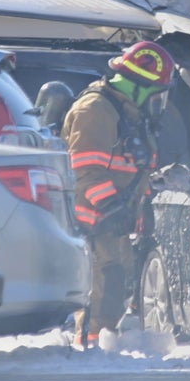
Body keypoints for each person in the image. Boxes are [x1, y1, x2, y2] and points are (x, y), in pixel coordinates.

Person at [61, 40, 176, 348]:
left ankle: (100, 347)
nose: (158, 102)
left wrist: (142, 201)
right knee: (100, 293)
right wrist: (111, 206)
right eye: (155, 93)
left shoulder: (127, 113)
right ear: (137, 86)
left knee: (113, 291)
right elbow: (83, 168)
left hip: (111, 221)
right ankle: (88, 349)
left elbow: (129, 168)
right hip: (91, 219)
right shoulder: (96, 111)